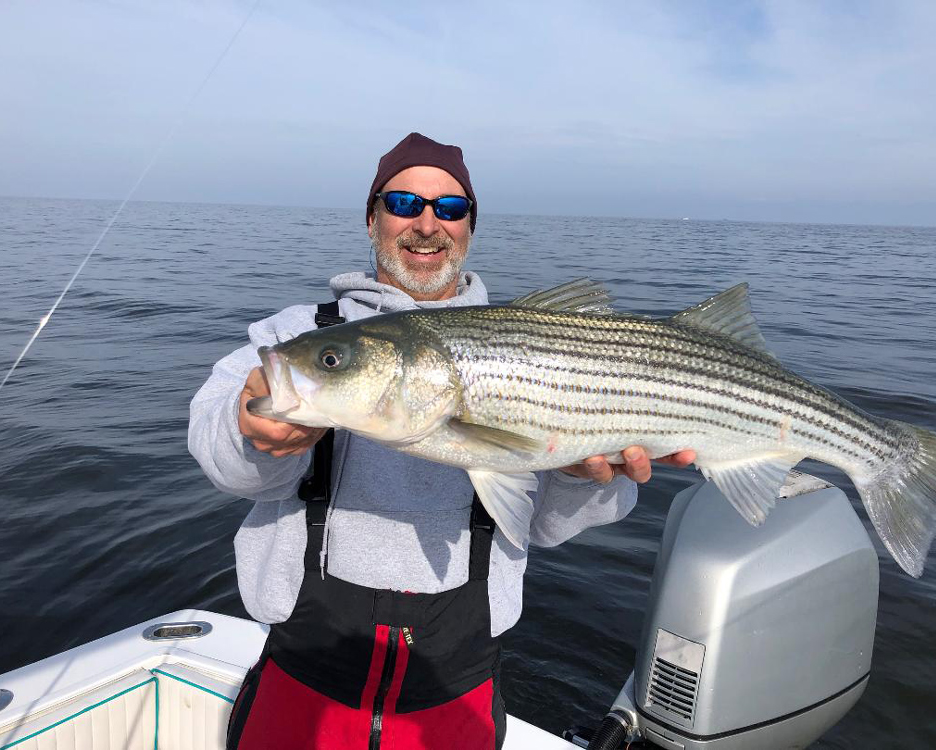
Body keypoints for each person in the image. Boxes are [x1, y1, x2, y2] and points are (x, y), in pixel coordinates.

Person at [188, 132, 694, 750]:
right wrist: (253, 431)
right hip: (303, 678)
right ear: (372, 218)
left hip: (457, 691)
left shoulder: (538, 344)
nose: (427, 224)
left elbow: (546, 526)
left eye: (450, 209)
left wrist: (581, 477)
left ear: (470, 228)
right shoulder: (296, 337)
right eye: (403, 202)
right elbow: (228, 467)